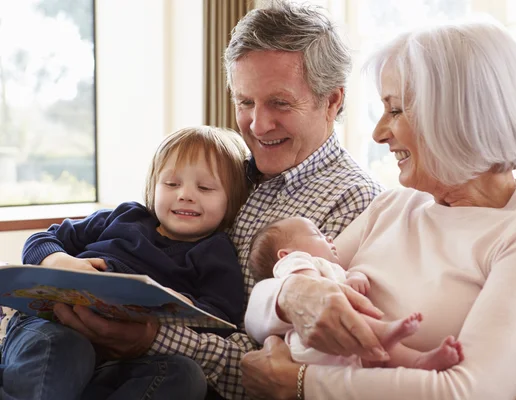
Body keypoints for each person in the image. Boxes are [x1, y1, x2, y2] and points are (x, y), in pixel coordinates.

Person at [35, 2, 383, 399]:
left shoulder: (357, 204)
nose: (258, 124)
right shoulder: (224, 169)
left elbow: (284, 374)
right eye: (245, 101)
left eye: (280, 103)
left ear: (333, 101)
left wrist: (152, 340)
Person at [240, 18, 516, 400]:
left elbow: (468, 391)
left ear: (455, 115)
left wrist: (301, 383)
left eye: (395, 110)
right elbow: (258, 306)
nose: (378, 133)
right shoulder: (394, 205)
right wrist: (291, 296)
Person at [0, 126, 249, 400]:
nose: (185, 195)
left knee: (185, 375)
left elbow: (222, 319)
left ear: (232, 199)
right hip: (52, 326)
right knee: (68, 347)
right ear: (153, 186)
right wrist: (60, 261)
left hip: (122, 360)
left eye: (205, 187)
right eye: (171, 184)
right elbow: (43, 238)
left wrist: (181, 304)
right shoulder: (125, 217)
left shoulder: (217, 253)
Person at [248, 216, 464, 370]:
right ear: (286, 254)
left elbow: (346, 278)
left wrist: (355, 277)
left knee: (383, 354)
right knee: (354, 318)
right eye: (317, 234)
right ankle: (385, 330)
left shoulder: (331, 268)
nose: (330, 237)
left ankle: (420, 362)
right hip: (312, 343)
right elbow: (310, 290)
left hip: (340, 357)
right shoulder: (297, 262)